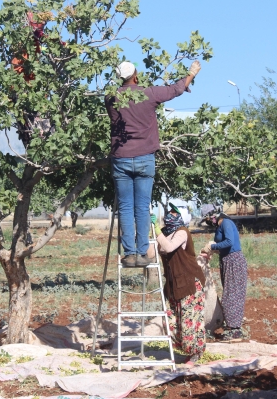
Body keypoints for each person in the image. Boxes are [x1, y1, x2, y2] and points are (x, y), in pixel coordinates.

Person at [105, 60, 201, 267]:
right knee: (141, 207)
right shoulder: (149, 93)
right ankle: (142, 252)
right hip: (144, 158)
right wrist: (191, 73)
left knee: (125, 207)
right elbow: (175, 89)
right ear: (136, 76)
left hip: (120, 158)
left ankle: (130, 254)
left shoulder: (110, 98)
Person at [153, 203, 206, 362]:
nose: (169, 214)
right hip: (173, 283)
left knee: (190, 319)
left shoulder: (182, 232)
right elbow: (152, 251)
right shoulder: (164, 233)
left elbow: (168, 247)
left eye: (174, 212)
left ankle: (195, 353)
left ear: (181, 216)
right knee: (172, 319)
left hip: (189, 282)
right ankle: (186, 351)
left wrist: (156, 230)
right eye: (170, 211)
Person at [201, 212, 247, 340]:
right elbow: (223, 245)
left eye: (209, 218)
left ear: (215, 217)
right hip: (227, 260)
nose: (209, 221)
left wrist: (212, 246)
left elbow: (229, 242)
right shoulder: (220, 226)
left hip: (233, 260)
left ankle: (235, 329)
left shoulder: (226, 223)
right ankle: (232, 326)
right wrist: (212, 250)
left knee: (232, 294)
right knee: (230, 292)